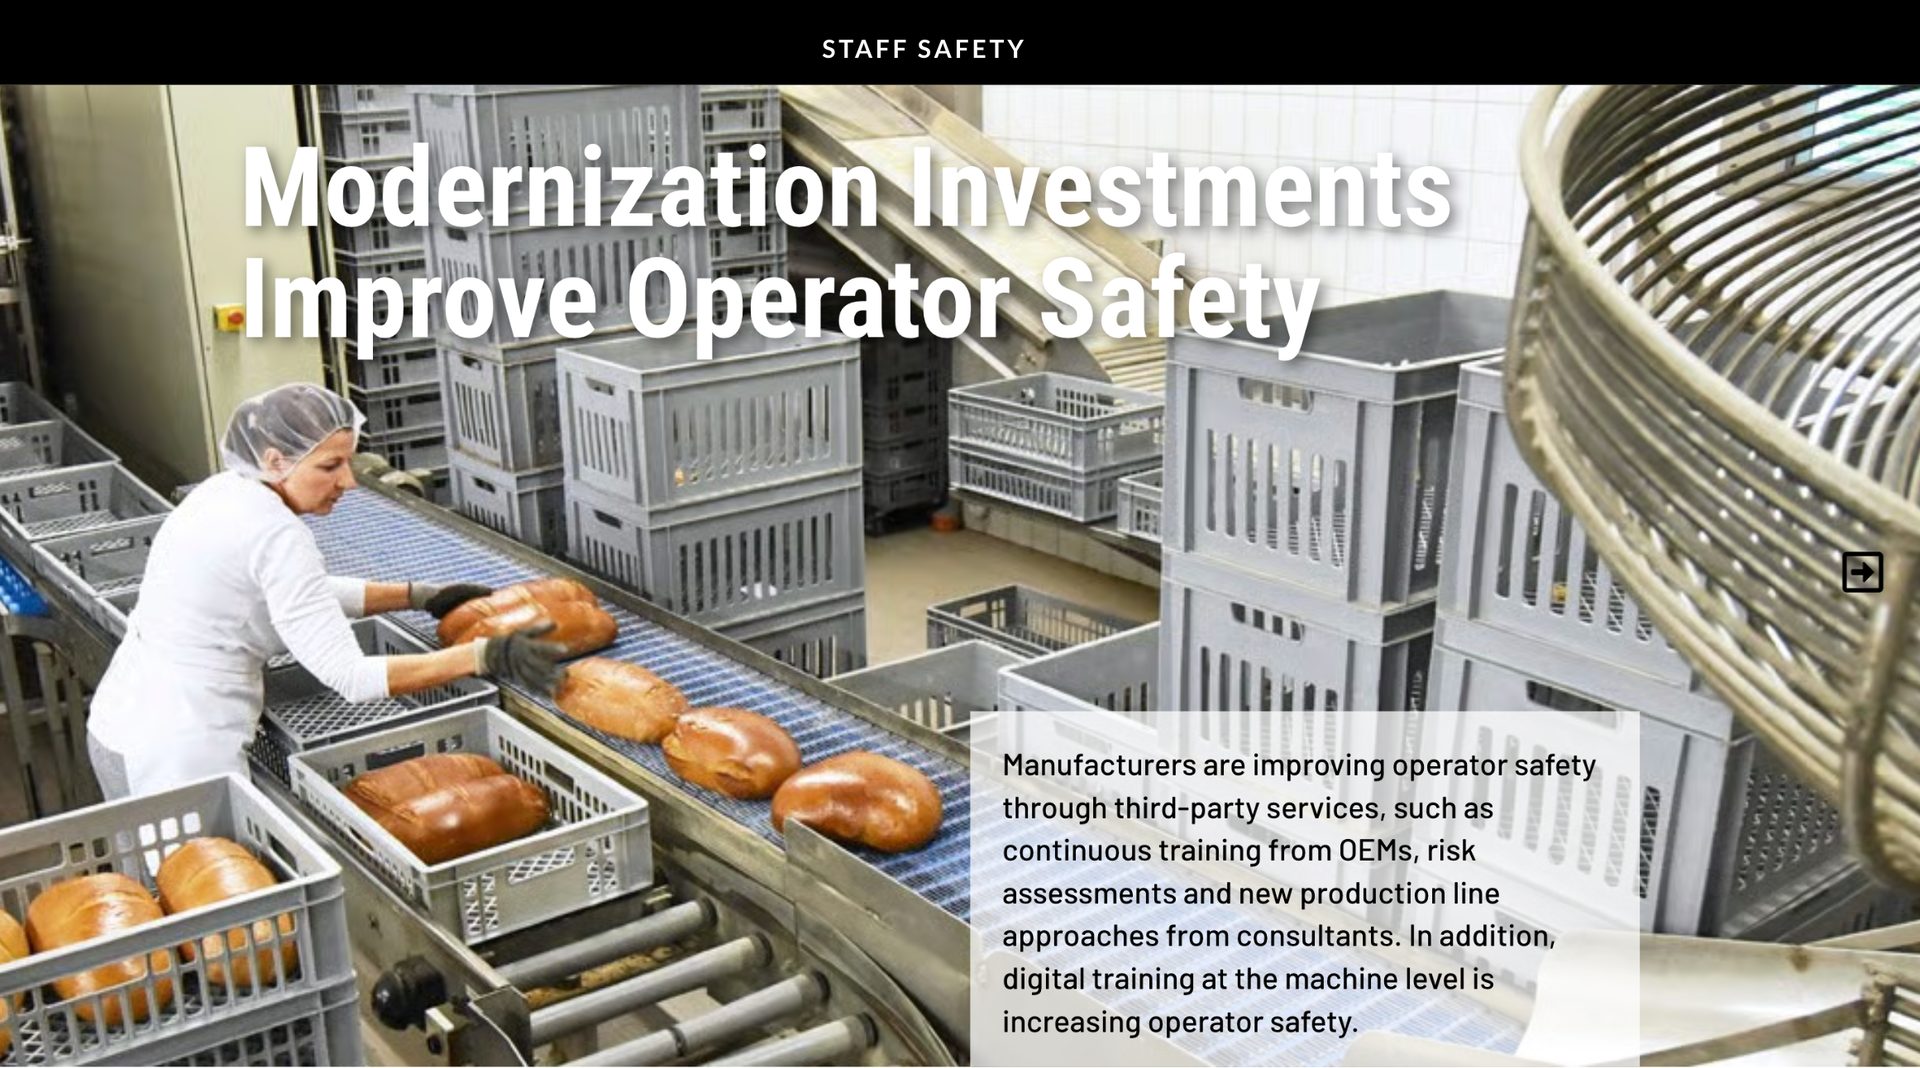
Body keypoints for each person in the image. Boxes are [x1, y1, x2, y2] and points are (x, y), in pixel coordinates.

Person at [84, 383, 568, 801]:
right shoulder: (277, 533)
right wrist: (482, 656)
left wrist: (416, 595)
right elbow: (352, 677)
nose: (349, 481)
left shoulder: (223, 493)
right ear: (276, 460)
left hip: (123, 721)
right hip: (182, 756)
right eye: (330, 465)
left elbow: (299, 595)